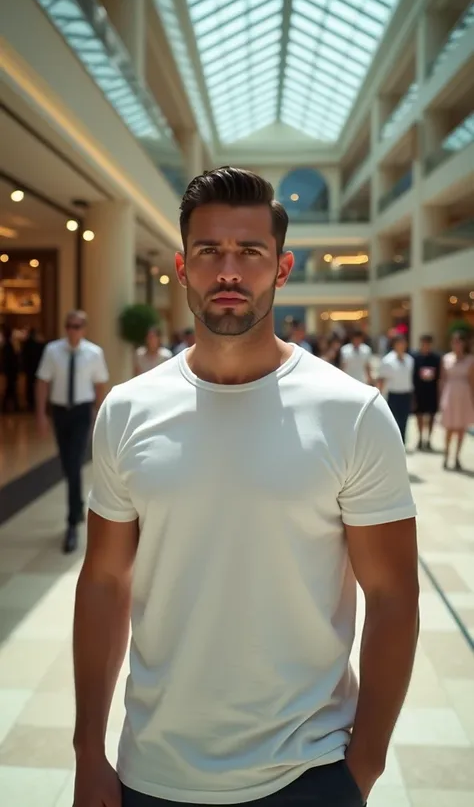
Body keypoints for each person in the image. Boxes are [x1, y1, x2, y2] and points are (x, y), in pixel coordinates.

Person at [73, 168, 419, 807]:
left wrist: (362, 767)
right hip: (151, 771)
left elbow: (394, 596)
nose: (228, 270)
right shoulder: (126, 410)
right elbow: (103, 581)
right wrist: (87, 751)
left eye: (250, 253)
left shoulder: (353, 412)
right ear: (182, 267)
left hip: (307, 771)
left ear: (281, 268)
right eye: (209, 251)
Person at [36, 310, 109, 553]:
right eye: (69, 325)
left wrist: (99, 414)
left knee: (75, 463)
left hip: (81, 412)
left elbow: (100, 384)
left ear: (84, 328)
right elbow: (42, 382)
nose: (73, 330)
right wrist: (40, 415)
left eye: (77, 326)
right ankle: (77, 506)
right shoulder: (53, 351)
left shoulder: (94, 353)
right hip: (60, 412)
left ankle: (71, 525)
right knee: (68, 465)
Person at [440, 330, 474, 470]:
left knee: (461, 428)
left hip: (464, 394)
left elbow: (472, 381)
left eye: (459, 342)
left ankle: (457, 457)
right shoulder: (446, 358)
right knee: (449, 427)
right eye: (454, 342)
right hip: (450, 393)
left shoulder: (470, 360)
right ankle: (446, 455)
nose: (457, 345)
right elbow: (442, 379)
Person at [377, 334, 414, 445]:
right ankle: (392, 443)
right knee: (393, 421)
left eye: (403, 343)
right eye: (399, 343)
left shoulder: (409, 359)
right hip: (393, 395)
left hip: (406, 394)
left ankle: (402, 443)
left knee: (404, 421)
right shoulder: (387, 360)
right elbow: (381, 379)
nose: (401, 346)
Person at [412, 334, 441, 451]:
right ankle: (420, 438)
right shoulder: (415, 358)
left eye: (428, 344)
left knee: (431, 416)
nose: (426, 346)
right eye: (424, 343)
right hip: (419, 390)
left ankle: (428, 439)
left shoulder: (436, 358)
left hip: (432, 391)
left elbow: (440, 376)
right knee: (419, 415)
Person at [22, 327, 45, 411]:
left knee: (29, 386)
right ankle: (35, 402)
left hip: (29, 369)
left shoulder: (26, 344)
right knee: (35, 386)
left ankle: (30, 402)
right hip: (36, 368)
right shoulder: (38, 344)